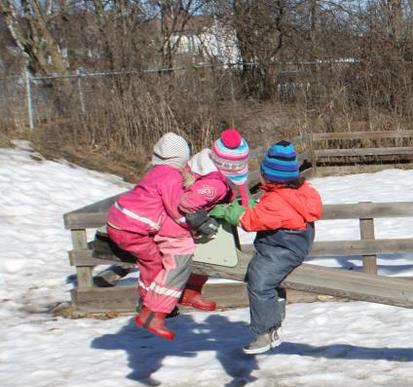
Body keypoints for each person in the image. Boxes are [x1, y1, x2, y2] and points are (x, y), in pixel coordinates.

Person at [210, 141, 322, 354]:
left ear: (269, 176)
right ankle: (274, 320)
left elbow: (251, 221)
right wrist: (256, 205)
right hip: (294, 242)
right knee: (270, 280)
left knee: (259, 281)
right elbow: (270, 211)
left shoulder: (277, 200)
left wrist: (229, 213)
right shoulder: (302, 191)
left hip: (281, 247)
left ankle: (263, 333)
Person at [105, 132, 191, 340]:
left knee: (149, 259)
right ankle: (149, 303)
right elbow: (174, 207)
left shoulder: (155, 171)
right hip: (130, 229)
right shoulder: (171, 176)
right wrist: (187, 224)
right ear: (182, 157)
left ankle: (149, 300)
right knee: (154, 261)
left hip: (117, 218)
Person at [175, 129, 251, 312]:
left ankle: (186, 292)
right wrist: (201, 222)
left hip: (189, 216)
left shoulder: (208, 162)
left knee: (205, 254)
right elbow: (187, 202)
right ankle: (187, 293)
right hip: (184, 222)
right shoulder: (215, 184)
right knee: (211, 253)